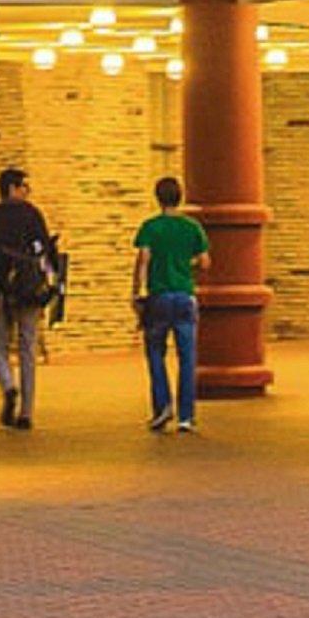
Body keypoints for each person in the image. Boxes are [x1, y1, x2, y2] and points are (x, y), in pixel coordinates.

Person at [0, 163, 67, 430]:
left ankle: (8, 386)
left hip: (0, 288)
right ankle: (26, 413)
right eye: (24, 186)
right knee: (27, 349)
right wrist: (53, 282)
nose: (27, 191)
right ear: (12, 188)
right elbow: (45, 251)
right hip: (29, 291)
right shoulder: (32, 215)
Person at [131, 173, 209, 432]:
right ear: (180, 197)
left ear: (158, 198)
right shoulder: (192, 227)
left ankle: (162, 406)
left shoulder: (150, 227)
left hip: (159, 297)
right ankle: (186, 416)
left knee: (156, 353)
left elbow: (143, 259)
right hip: (185, 296)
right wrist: (187, 264)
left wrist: (136, 292)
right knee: (187, 357)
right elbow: (205, 261)